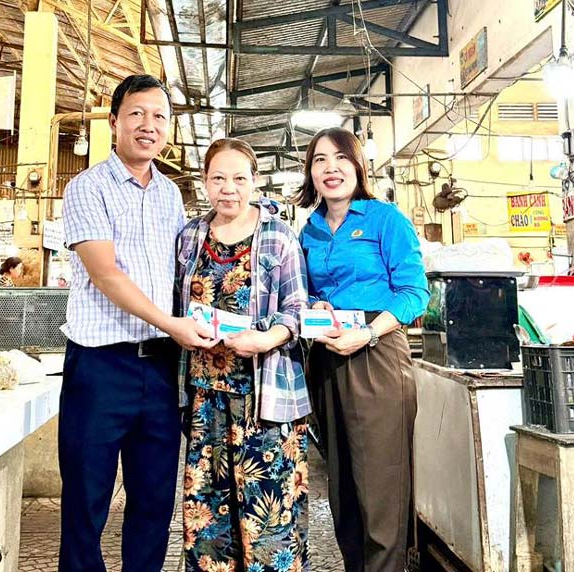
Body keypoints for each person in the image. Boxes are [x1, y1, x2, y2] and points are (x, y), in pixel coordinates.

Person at [58, 74, 215, 572]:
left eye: (159, 117)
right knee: (87, 503)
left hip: (163, 369)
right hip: (101, 367)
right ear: (113, 123)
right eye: (137, 114)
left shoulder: (171, 194)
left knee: (153, 505)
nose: (149, 126)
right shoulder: (86, 187)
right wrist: (172, 323)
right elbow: (105, 273)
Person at [295, 127, 429, 572]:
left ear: (358, 166)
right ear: (310, 172)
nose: (330, 169)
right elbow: (305, 291)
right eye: (319, 160)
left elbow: (413, 293)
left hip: (377, 354)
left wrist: (369, 333)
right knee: (343, 490)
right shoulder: (309, 230)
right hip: (328, 358)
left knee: (380, 488)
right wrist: (315, 307)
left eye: (340, 158)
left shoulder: (384, 219)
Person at [175, 138, 311, 572]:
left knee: (267, 513)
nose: (228, 188)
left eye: (238, 178)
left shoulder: (278, 237)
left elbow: (296, 311)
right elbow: (177, 306)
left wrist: (267, 339)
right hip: (204, 396)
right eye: (218, 178)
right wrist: (183, 330)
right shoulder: (191, 235)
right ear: (204, 182)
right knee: (209, 513)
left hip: (263, 397)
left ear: (255, 182)